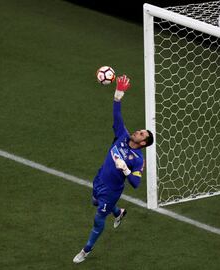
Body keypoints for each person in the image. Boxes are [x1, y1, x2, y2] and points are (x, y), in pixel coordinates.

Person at [73, 75, 154, 264]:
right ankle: (118, 213)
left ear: (143, 143)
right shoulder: (123, 136)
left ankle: (86, 250)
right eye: (140, 130)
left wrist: (125, 169)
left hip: (111, 191)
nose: (137, 131)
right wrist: (118, 94)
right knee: (94, 200)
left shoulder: (138, 160)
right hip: (100, 178)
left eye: (141, 133)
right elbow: (117, 116)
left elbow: (136, 183)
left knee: (99, 217)